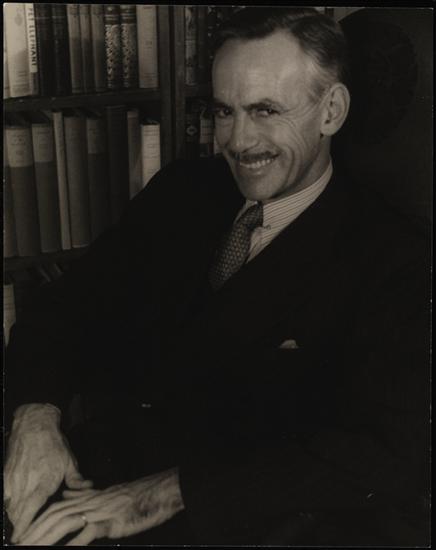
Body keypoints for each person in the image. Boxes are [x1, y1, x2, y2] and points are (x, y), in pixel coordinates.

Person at [4, 7, 430, 546]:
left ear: (331, 111)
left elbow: (385, 453)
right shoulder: (184, 191)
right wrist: (35, 418)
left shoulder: (397, 260)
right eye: (225, 111)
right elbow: (67, 305)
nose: (238, 141)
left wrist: (168, 493)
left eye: (265, 110)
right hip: (97, 480)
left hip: (243, 520)